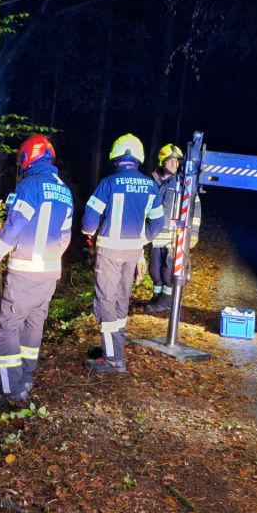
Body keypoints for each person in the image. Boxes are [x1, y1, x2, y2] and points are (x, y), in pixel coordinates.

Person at [0, 134, 74, 409]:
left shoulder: (29, 185)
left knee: (6, 329)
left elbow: (14, 227)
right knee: (34, 324)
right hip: (49, 272)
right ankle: (25, 380)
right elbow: (66, 235)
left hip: (24, 272)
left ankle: (11, 392)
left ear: (27, 157)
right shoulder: (64, 190)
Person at [82, 134, 163, 374]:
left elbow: (89, 220)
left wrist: (89, 233)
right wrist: (141, 240)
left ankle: (112, 360)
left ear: (116, 156)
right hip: (132, 252)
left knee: (105, 302)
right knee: (120, 300)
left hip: (109, 252)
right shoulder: (151, 186)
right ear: (138, 157)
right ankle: (115, 349)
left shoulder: (108, 183)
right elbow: (157, 223)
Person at [145, 143, 183, 314]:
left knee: (168, 270)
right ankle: (157, 296)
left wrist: (194, 233)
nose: (175, 164)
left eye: (177, 162)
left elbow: (194, 206)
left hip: (173, 236)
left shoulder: (182, 184)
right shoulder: (151, 181)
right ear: (162, 161)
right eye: (171, 161)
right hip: (154, 234)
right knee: (154, 269)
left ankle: (166, 301)